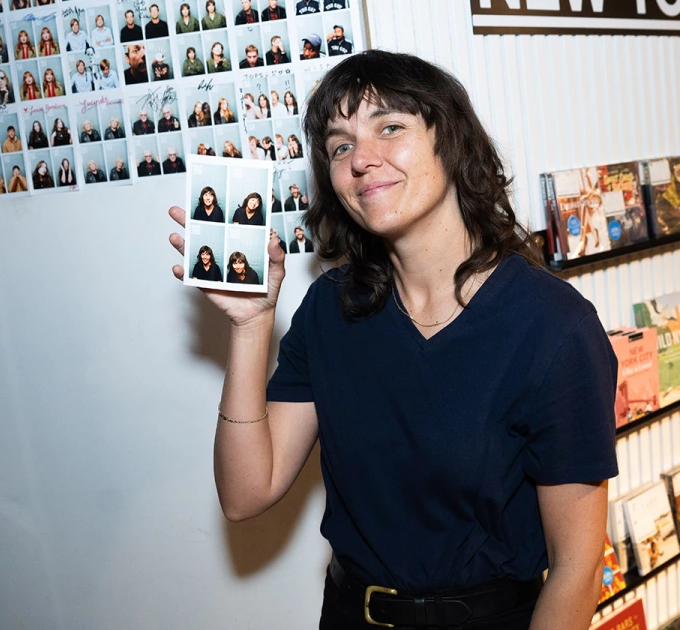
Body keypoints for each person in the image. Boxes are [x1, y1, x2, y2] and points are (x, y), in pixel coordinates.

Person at [164, 50, 616, 629]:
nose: (362, 160)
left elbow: (577, 568)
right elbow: (245, 494)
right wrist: (250, 327)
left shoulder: (553, 327)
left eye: (390, 127)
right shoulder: (331, 309)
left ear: (449, 141)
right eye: (340, 146)